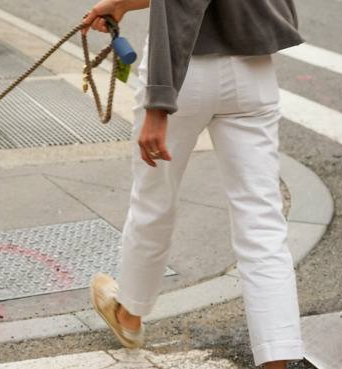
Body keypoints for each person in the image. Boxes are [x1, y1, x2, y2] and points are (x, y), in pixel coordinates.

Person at [82, 1, 305, 368]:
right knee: (262, 223)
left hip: (182, 72)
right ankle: (277, 359)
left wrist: (157, 104)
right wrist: (123, 4)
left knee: (154, 201)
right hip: (253, 67)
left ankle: (130, 315)